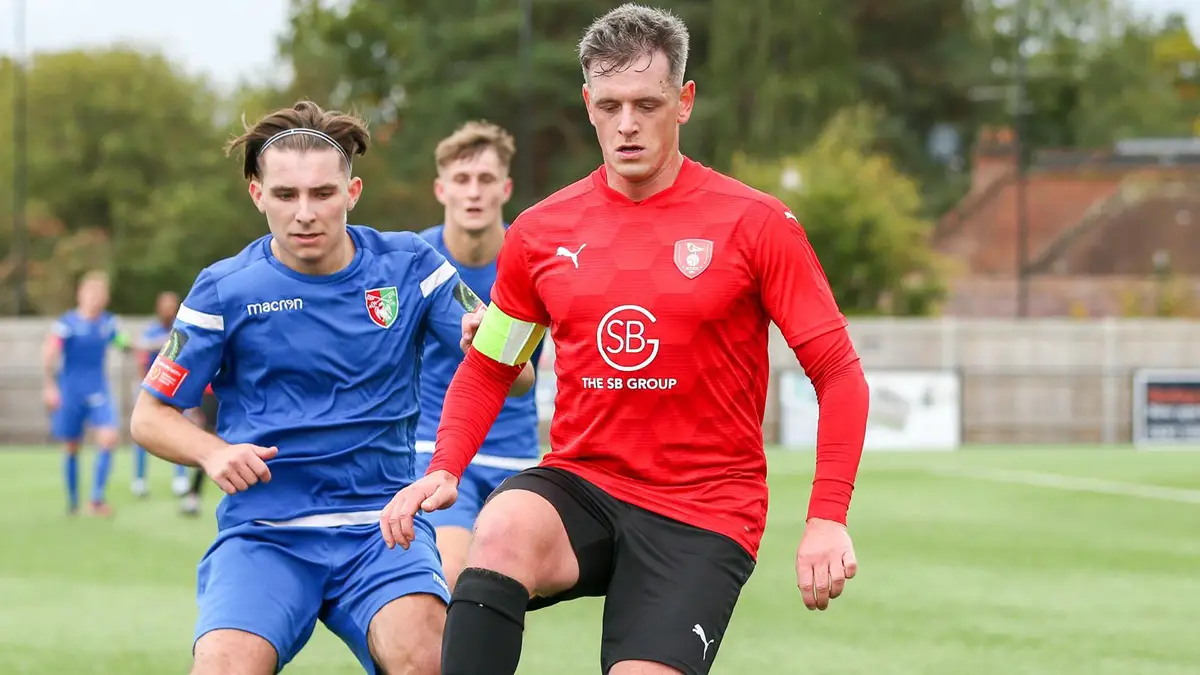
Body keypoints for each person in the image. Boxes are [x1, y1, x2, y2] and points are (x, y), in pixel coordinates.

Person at [380, 5, 871, 675]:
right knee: (499, 527)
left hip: (703, 508)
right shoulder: (540, 232)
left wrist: (827, 516)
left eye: (647, 102)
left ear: (685, 101)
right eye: (609, 104)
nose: (628, 123)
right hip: (584, 481)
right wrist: (445, 465)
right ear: (588, 104)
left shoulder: (756, 224)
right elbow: (491, 365)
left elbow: (839, 373)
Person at [128, 100, 535, 675]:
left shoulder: (412, 267)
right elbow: (149, 416)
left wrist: (490, 347)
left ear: (352, 192)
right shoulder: (224, 290)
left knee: (430, 660)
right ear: (257, 195)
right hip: (266, 534)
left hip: (383, 527)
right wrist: (212, 451)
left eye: (322, 193)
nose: (305, 213)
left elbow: (519, 383)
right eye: (287, 195)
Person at [413, 121, 543, 590]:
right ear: (440, 188)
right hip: (437, 449)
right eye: (462, 180)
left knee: (503, 590)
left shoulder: (530, 258)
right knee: (452, 574)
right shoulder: (415, 261)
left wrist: (492, 355)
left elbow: (527, 378)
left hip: (515, 454)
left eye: (486, 180)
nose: (474, 192)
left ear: (504, 188)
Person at [42, 270, 130, 517]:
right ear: (81, 295)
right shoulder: (67, 323)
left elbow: (124, 344)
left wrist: (148, 347)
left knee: (109, 438)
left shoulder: (108, 323)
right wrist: (49, 385)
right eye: (91, 293)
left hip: (99, 389)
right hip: (70, 391)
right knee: (71, 446)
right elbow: (50, 351)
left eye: (100, 294)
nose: (96, 298)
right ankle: (72, 502)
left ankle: (96, 500)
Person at [131, 290, 191, 499]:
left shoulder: (181, 329)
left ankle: (180, 478)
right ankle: (139, 480)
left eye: (171, 305)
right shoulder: (150, 331)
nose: (168, 309)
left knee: (179, 433)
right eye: (164, 305)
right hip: (151, 389)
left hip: (175, 391)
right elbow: (140, 352)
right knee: (142, 433)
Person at [179, 383, 218, 517]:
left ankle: (193, 497)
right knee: (210, 445)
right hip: (211, 393)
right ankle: (193, 497)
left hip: (233, 391)